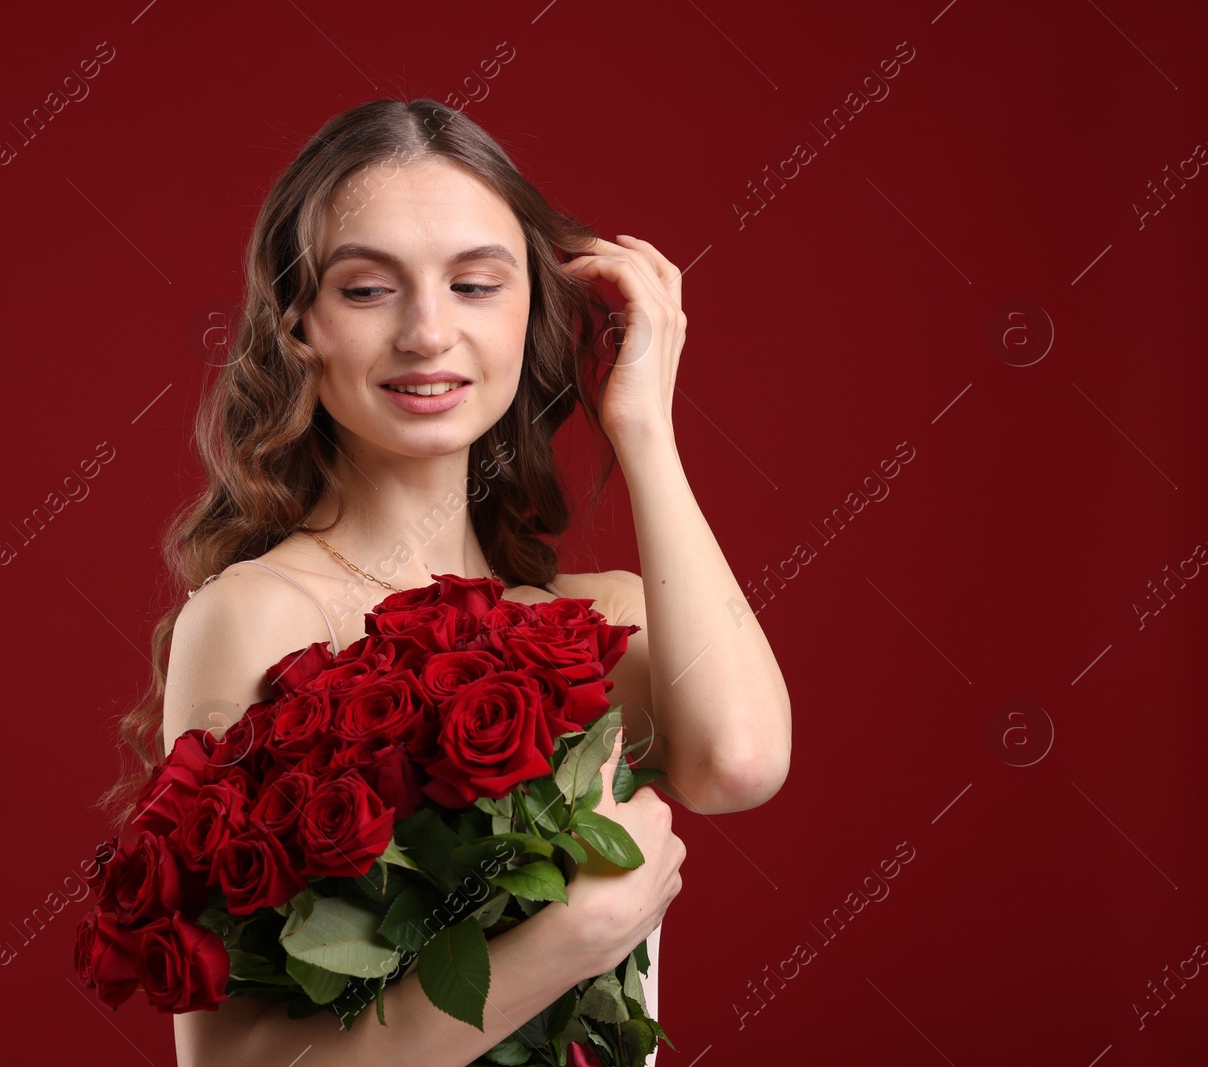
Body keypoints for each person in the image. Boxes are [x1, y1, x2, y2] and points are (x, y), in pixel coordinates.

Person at [97, 97, 791, 1066]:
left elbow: (740, 764)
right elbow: (229, 1064)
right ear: (297, 325)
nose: (427, 332)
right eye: (368, 290)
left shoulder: (606, 616)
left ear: (527, 317)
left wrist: (641, 425)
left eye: (474, 285)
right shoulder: (257, 615)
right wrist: (561, 946)